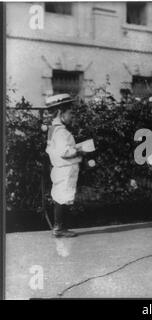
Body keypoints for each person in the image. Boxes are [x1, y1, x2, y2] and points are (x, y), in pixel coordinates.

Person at [45, 94, 86, 237]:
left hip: (60, 169)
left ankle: (60, 227)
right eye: (70, 113)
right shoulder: (61, 132)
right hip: (65, 169)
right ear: (60, 114)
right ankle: (59, 228)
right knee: (64, 197)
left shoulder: (53, 130)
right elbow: (65, 152)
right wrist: (81, 150)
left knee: (60, 196)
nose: (72, 116)